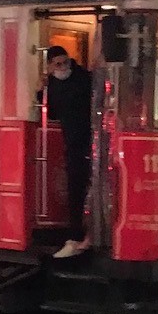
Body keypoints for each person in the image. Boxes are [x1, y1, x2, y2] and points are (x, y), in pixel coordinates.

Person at [43, 46, 94, 259]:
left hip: (86, 141)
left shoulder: (83, 79)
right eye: (58, 64)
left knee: (80, 189)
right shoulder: (53, 83)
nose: (63, 67)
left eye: (65, 62)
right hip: (72, 142)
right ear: (50, 66)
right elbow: (53, 111)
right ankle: (77, 237)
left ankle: (78, 237)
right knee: (75, 189)